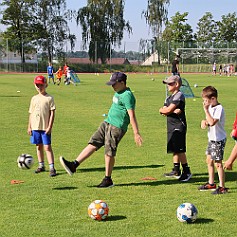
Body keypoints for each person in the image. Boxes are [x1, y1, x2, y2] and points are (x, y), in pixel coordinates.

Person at [60, 72, 143, 188]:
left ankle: (108, 179)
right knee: (93, 142)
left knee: (109, 151)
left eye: (114, 84)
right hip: (107, 123)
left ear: (122, 83)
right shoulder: (118, 92)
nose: (112, 86)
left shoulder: (127, 95)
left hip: (117, 127)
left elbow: (132, 115)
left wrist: (136, 133)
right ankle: (74, 165)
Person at [159, 75, 192, 182]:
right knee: (174, 148)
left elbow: (166, 110)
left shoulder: (179, 95)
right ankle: (176, 170)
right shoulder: (168, 98)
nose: (168, 86)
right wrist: (169, 110)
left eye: (170, 83)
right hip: (171, 125)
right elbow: (163, 110)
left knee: (180, 149)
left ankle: (187, 171)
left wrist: (168, 110)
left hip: (179, 126)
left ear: (177, 84)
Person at [199, 86, 228, 194]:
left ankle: (222, 187)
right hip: (211, 138)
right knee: (209, 161)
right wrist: (204, 122)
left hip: (218, 139)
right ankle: (211, 183)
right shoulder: (211, 107)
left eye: (206, 100)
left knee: (218, 163)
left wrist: (206, 111)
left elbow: (212, 122)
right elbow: (208, 121)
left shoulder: (219, 109)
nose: (204, 103)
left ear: (213, 98)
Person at [27, 75, 57, 177]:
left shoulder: (49, 98)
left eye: (41, 85)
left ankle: (52, 167)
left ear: (46, 85)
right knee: (38, 146)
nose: (39, 87)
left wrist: (49, 127)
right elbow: (31, 113)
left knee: (47, 147)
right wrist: (29, 126)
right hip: (35, 127)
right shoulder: (34, 98)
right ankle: (41, 165)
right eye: (37, 85)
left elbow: (52, 113)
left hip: (45, 127)